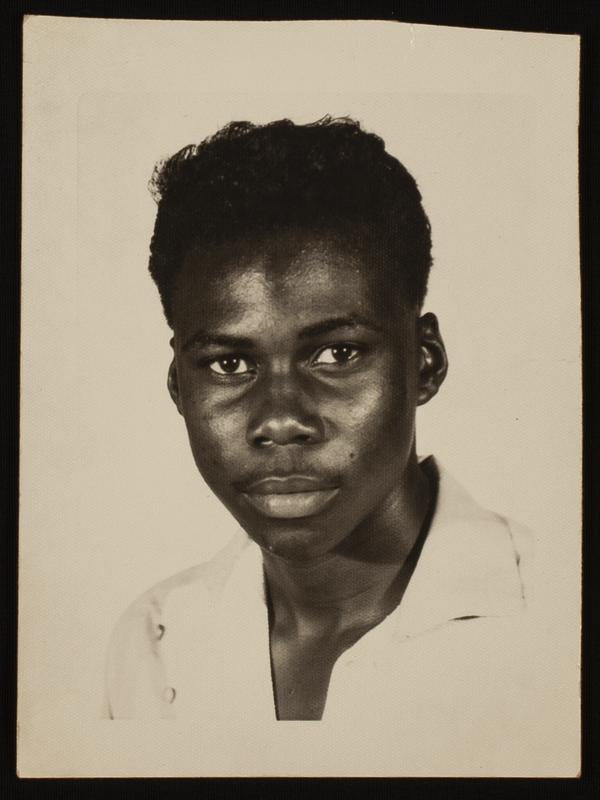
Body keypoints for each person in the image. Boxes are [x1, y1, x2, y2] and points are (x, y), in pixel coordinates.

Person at [103, 117, 534, 731]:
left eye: (338, 354)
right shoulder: (150, 644)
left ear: (425, 362)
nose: (281, 421)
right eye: (230, 364)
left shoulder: (560, 621)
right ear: (179, 386)